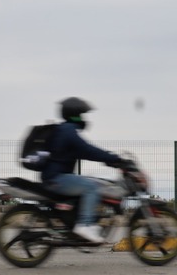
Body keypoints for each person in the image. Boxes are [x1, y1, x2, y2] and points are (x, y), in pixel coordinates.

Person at [40, 97, 130, 245]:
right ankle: (86, 225)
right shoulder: (68, 131)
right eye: (81, 114)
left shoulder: (65, 130)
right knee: (91, 187)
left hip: (56, 177)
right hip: (56, 179)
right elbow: (87, 149)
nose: (83, 118)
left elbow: (85, 152)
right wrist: (114, 159)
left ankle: (81, 221)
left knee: (91, 182)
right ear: (74, 114)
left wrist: (108, 159)